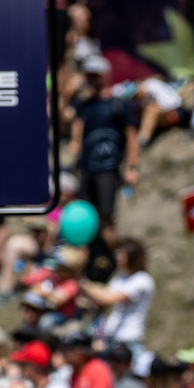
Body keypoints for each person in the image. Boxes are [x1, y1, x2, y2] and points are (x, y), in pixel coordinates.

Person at [70, 55, 140, 247]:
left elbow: (132, 138)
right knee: (86, 215)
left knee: (107, 216)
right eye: (88, 75)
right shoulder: (84, 105)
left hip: (108, 170)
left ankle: (113, 257)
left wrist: (132, 167)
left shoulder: (119, 105)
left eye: (95, 75)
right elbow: (67, 120)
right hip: (86, 169)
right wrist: (69, 93)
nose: (91, 79)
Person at [82, 238, 155, 353]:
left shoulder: (142, 280)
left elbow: (108, 298)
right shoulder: (120, 278)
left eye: (121, 253)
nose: (117, 256)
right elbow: (103, 295)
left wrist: (83, 284)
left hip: (129, 339)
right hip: (112, 337)